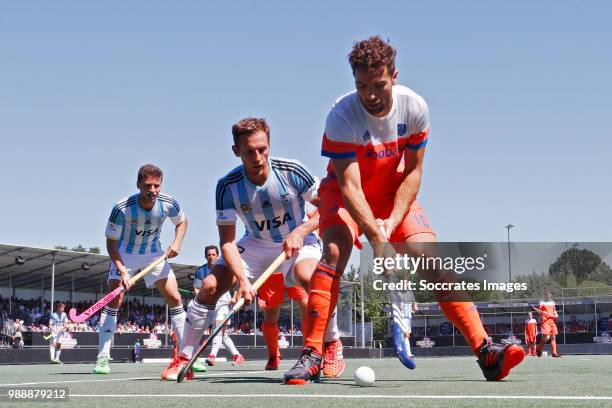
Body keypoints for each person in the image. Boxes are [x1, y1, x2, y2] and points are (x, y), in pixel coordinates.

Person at [284, 36, 525, 384]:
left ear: (394, 75)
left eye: (378, 85)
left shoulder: (415, 108)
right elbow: (350, 187)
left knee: (432, 260)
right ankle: (312, 354)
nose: (370, 95)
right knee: (335, 250)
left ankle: (486, 351)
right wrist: (378, 239)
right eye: (362, 86)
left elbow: (413, 172)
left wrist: (392, 224)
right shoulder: (341, 116)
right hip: (346, 192)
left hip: (393, 192)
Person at [162, 117, 342, 381]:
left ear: (269, 145)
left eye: (262, 149)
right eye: (249, 151)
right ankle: (184, 358)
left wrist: (301, 231)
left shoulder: (292, 171)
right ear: (236, 151)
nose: (257, 157)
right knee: (211, 285)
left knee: (313, 278)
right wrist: (245, 282)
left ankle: (331, 343)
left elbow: (329, 206)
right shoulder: (227, 186)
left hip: (299, 238)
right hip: (256, 244)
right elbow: (227, 242)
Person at [95, 164, 188, 375]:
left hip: (154, 255)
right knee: (114, 300)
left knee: (174, 298)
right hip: (124, 254)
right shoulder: (121, 208)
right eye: (148, 185)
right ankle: (102, 359)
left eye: (156, 185)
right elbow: (111, 244)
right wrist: (123, 271)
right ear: (138, 184)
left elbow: (182, 222)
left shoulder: (169, 203)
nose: (153, 190)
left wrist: (177, 243)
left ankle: (186, 356)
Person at [193, 245, 243, 369]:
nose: (211, 257)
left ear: (217, 255)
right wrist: (201, 295)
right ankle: (237, 356)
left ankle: (212, 356)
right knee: (222, 334)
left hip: (224, 303)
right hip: (210, 303)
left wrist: (234, 297)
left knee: (217, 328)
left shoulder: (225, 268)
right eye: (209, 255)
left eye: (213, 254)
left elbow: (237, 284)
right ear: (205, 256)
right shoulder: (200, 271)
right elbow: (196, 288)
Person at [536, 291, 560, 357]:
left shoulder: (552, 302)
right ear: (545, 295)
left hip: (552, 321)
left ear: (551, 295)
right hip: (545, 321)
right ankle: (538, 349)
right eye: (546, 294)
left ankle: (554, 353)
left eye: (549, 294)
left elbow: (554, 310)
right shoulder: (541, 302)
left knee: (553, 337)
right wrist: (541, 312)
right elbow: (539, 312)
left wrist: (556, 314)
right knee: (546, 338)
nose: (548, 295)